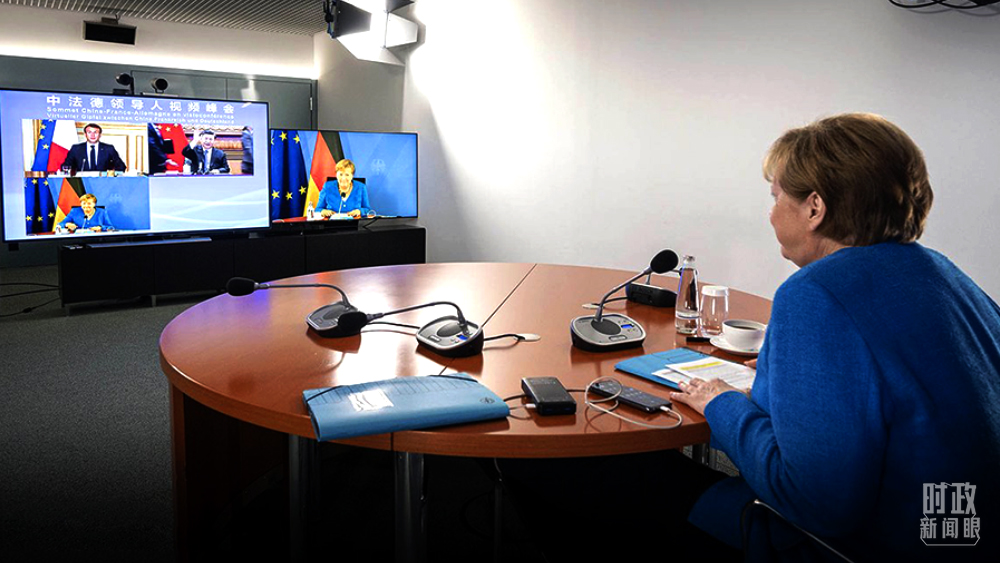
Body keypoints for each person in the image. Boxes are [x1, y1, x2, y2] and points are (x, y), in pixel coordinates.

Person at [502, 114, 1000, 563]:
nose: (771, 212)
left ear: (815, 208)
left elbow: (814, 502)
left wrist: (720, 402)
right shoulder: (949, 277)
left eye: (776, 196)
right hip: (961, 534)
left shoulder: (816, 293)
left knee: (548, 463)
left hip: (837, 545)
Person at [60, 123, 126, 173]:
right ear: (85, 134)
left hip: (103, 182)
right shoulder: (76, 149)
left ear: (100, 135)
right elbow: (65, 166)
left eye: (95, 132)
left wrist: (111, 175)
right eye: (89, 132)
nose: (92, 135)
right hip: (81, 183)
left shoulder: (108, 149)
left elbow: (121, 167)